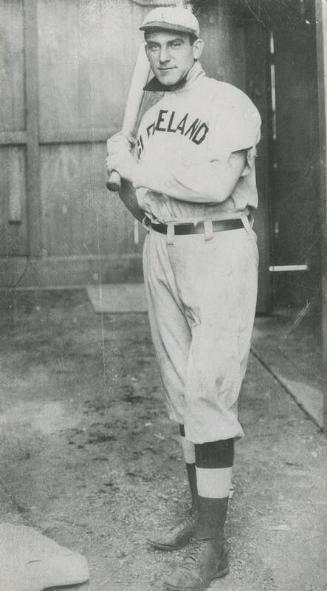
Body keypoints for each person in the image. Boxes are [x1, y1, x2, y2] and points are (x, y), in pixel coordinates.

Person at [106, 6, 261, 591]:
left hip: (218, 250)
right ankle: (199, 522)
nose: (163, 55)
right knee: (178, 391)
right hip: (162, 251)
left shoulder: (228, 102)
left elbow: (216, 186)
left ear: (197, 48)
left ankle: (216, 544)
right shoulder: (152, 114)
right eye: (154, 45)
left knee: (208, 387)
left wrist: (139, 171)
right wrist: (124, 181)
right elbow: (144, 207)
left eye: (175, 44)